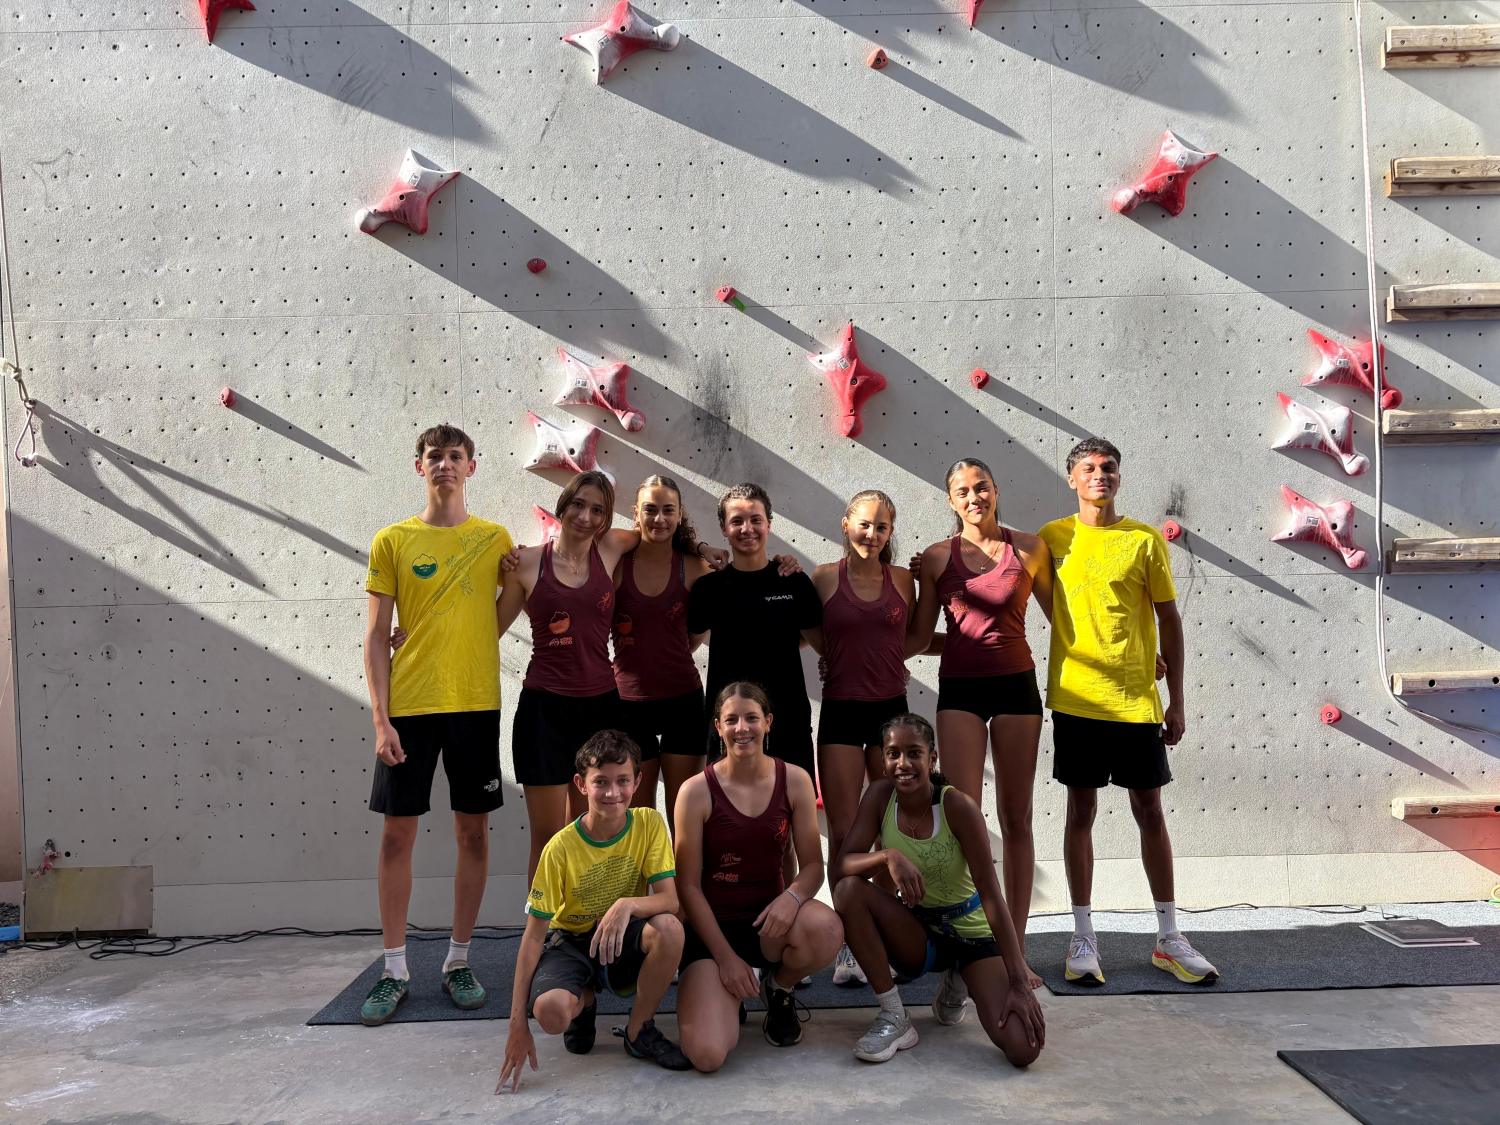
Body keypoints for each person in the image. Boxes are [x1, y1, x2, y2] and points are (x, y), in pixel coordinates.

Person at [1040, 437, 1217, 987]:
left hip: (1137, 701)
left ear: (1119, 477)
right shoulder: (1052, 538)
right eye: (1089, 468)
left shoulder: (1143, 540)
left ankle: (1168, 936)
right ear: (1072, 478)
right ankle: (1083, 935)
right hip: (1076, 699)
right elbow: (1043, 601)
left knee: (1150, 812)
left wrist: (1178, 699)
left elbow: (1170, 620)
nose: (1100, 475)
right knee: (1080, 813)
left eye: (1109, 467)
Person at [360, 423, 514, 1025]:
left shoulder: (494, 539)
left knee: (473, 835)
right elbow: (376, 636)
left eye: (455, 456)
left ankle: (458, 960)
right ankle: (394, 969)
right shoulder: (392, 540)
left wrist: (469, 637)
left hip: (475, 705)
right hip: (410, 709)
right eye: (434, 456)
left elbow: (519, 594)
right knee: (396, 836)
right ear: (418, 465)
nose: (445, 464)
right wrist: (381, 720)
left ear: (472, 466)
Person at [908, 457, 1051, 985]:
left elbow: (1067, 622)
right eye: (963, 491)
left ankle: (1016, 949)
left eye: (982, 487)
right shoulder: (936, 558)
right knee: (964, 820)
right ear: (951, 500)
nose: (974, 498)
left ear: (996, 490)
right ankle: (970, 944)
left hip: (1016, 687)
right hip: (960, 691)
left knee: (1016, 819)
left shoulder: (1030, 548)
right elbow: (919, 637)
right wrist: (851, 653)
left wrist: (1135, 658)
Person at [831, 713, 1045, 1067]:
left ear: (932, 759)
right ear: (883, 761)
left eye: (914, 753)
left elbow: (991, 894)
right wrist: (887, 856)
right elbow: (843, 866)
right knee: (848, 891)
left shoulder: (957, 806)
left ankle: (959, 977)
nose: (903, 763)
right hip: (920, 932)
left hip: (971, 934)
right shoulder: (880, 796)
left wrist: (1018, 977)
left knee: (1024, 1048)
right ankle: (894, 1016)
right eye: (893, 753)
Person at [499, 730, 690, 1092]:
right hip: (571, 941)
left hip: (621, 935)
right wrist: (516, 1023)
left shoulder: (649, 823)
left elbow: (670, 901)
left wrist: (626, 904)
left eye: (623, 781)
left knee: (669, 929)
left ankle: (639, 1030)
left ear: (638, 781)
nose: (613, 792)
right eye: (601, 781)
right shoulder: (559, 848)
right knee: (551, 1014)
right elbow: (534, 936)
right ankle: (583, 1001)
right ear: (581, 785)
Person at [673, 683, 843, 1070]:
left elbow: (813, 866)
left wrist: (792, 898)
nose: (742, 728)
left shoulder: (795, 780)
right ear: (718, 726)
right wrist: (726, 960)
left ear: (768, 722)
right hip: (712, 933)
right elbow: (687, 887)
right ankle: (723, 989)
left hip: (768, 925)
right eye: (731, 719)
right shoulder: (695, 792)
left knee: (827, 928)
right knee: (707, 1055)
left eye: (751, 718)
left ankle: (778, 987)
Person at [495, 471, 636, 889]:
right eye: (578, 504)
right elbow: (486, 632)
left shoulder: (611, 548)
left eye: (597, 510)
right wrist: (415, 636)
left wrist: (701, 549)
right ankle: (541, 924)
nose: (585, 516)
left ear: (606, 518)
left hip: (601, 710)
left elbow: (660, 529)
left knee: (592, 830)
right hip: (544, 713)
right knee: (548, 836)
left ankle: (587, 920)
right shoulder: (525, 563)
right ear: (563, 505)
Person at [810, 490, 918, 986]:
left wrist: (887, 658)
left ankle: (879, 930)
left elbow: (914, 637)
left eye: (881, 527)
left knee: (889, 828)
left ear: (890, 533)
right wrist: (836, 654)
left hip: (890, 713)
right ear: (845, 523)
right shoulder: (823, 578)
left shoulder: (904, 581)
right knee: (844, 829)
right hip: (840, 711)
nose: (871, 534)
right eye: (864, 524)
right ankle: (847, 942)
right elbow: (813, 633)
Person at [687, 484, 822, 778]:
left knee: (792, 804)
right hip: (730, 727)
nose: (747, 529)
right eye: (737, 520)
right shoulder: (709, 589)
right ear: (724, 528)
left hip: (789, 722)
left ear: (769, 525)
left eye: (755, 520)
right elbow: (685, 648)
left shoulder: (794, 582)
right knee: (727, 806)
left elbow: (824, 645)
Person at [612, 475, 712, 827]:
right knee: (640, 821)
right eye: (650, 510)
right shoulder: (616, 564)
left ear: (680, 514)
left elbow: (695, 634)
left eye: (668, 510)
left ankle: (683, 870)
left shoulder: (696, 568)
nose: (659, 518)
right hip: (628, 704)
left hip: (683, 702)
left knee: (684, 817)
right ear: (636, 513)